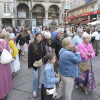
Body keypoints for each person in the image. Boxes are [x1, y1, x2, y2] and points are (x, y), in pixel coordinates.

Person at [28, 32, 46, 98]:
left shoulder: (42, 44)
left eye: (40, 37)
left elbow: (44, 53)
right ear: (35, 37)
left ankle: (38, 85)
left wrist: (45, 61)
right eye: (38, 37)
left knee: (39, 75)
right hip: (34, 63)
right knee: (35, 77)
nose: (39, 38)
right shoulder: (32, 44)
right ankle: (34, 90)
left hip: (40, 62)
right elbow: (29, 55)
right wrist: (30, 64)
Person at [0, 34, 13, 100]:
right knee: (5, 78)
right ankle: (5, 93)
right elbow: (8, 51)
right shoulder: (5, 42)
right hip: (5, 62)